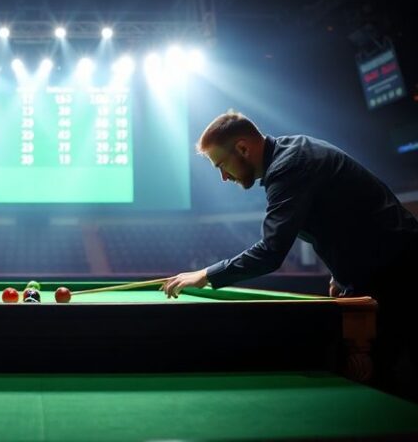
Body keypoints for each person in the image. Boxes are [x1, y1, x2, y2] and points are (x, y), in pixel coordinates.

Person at [163, 111, 418, 397]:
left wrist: (207, 274)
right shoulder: (291, 152)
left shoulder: (289, 167)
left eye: (221, 165)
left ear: (243, 148)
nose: (223, 176)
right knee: (376, 375)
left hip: (400, 271)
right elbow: (343, 216)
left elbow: (272, 252)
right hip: (390, 265)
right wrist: (340, 273)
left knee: (379, 378)